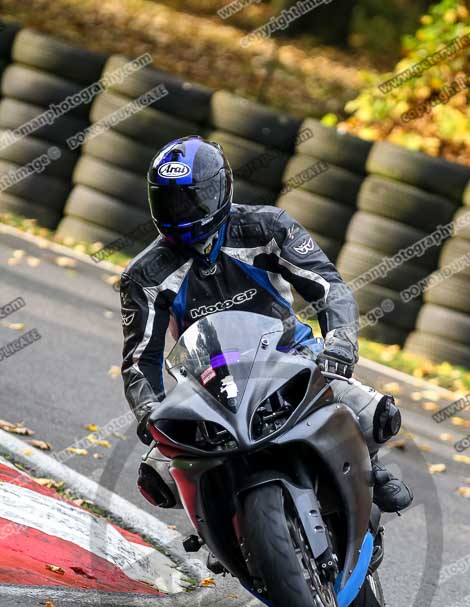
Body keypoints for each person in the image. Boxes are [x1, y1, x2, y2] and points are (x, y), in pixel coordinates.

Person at [120, 135, 412, 523]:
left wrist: (339, 345)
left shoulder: (266, 226)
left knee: (378, 417)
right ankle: (219, 524)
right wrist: (149, 409)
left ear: (222, 188)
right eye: (169, 200)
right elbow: (141, 358)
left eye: (192, 199)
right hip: (210, 381)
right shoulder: (144, 275)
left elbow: (328, 286)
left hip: (289, 358)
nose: (181, 211)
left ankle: (368, 473)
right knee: (157, 478)